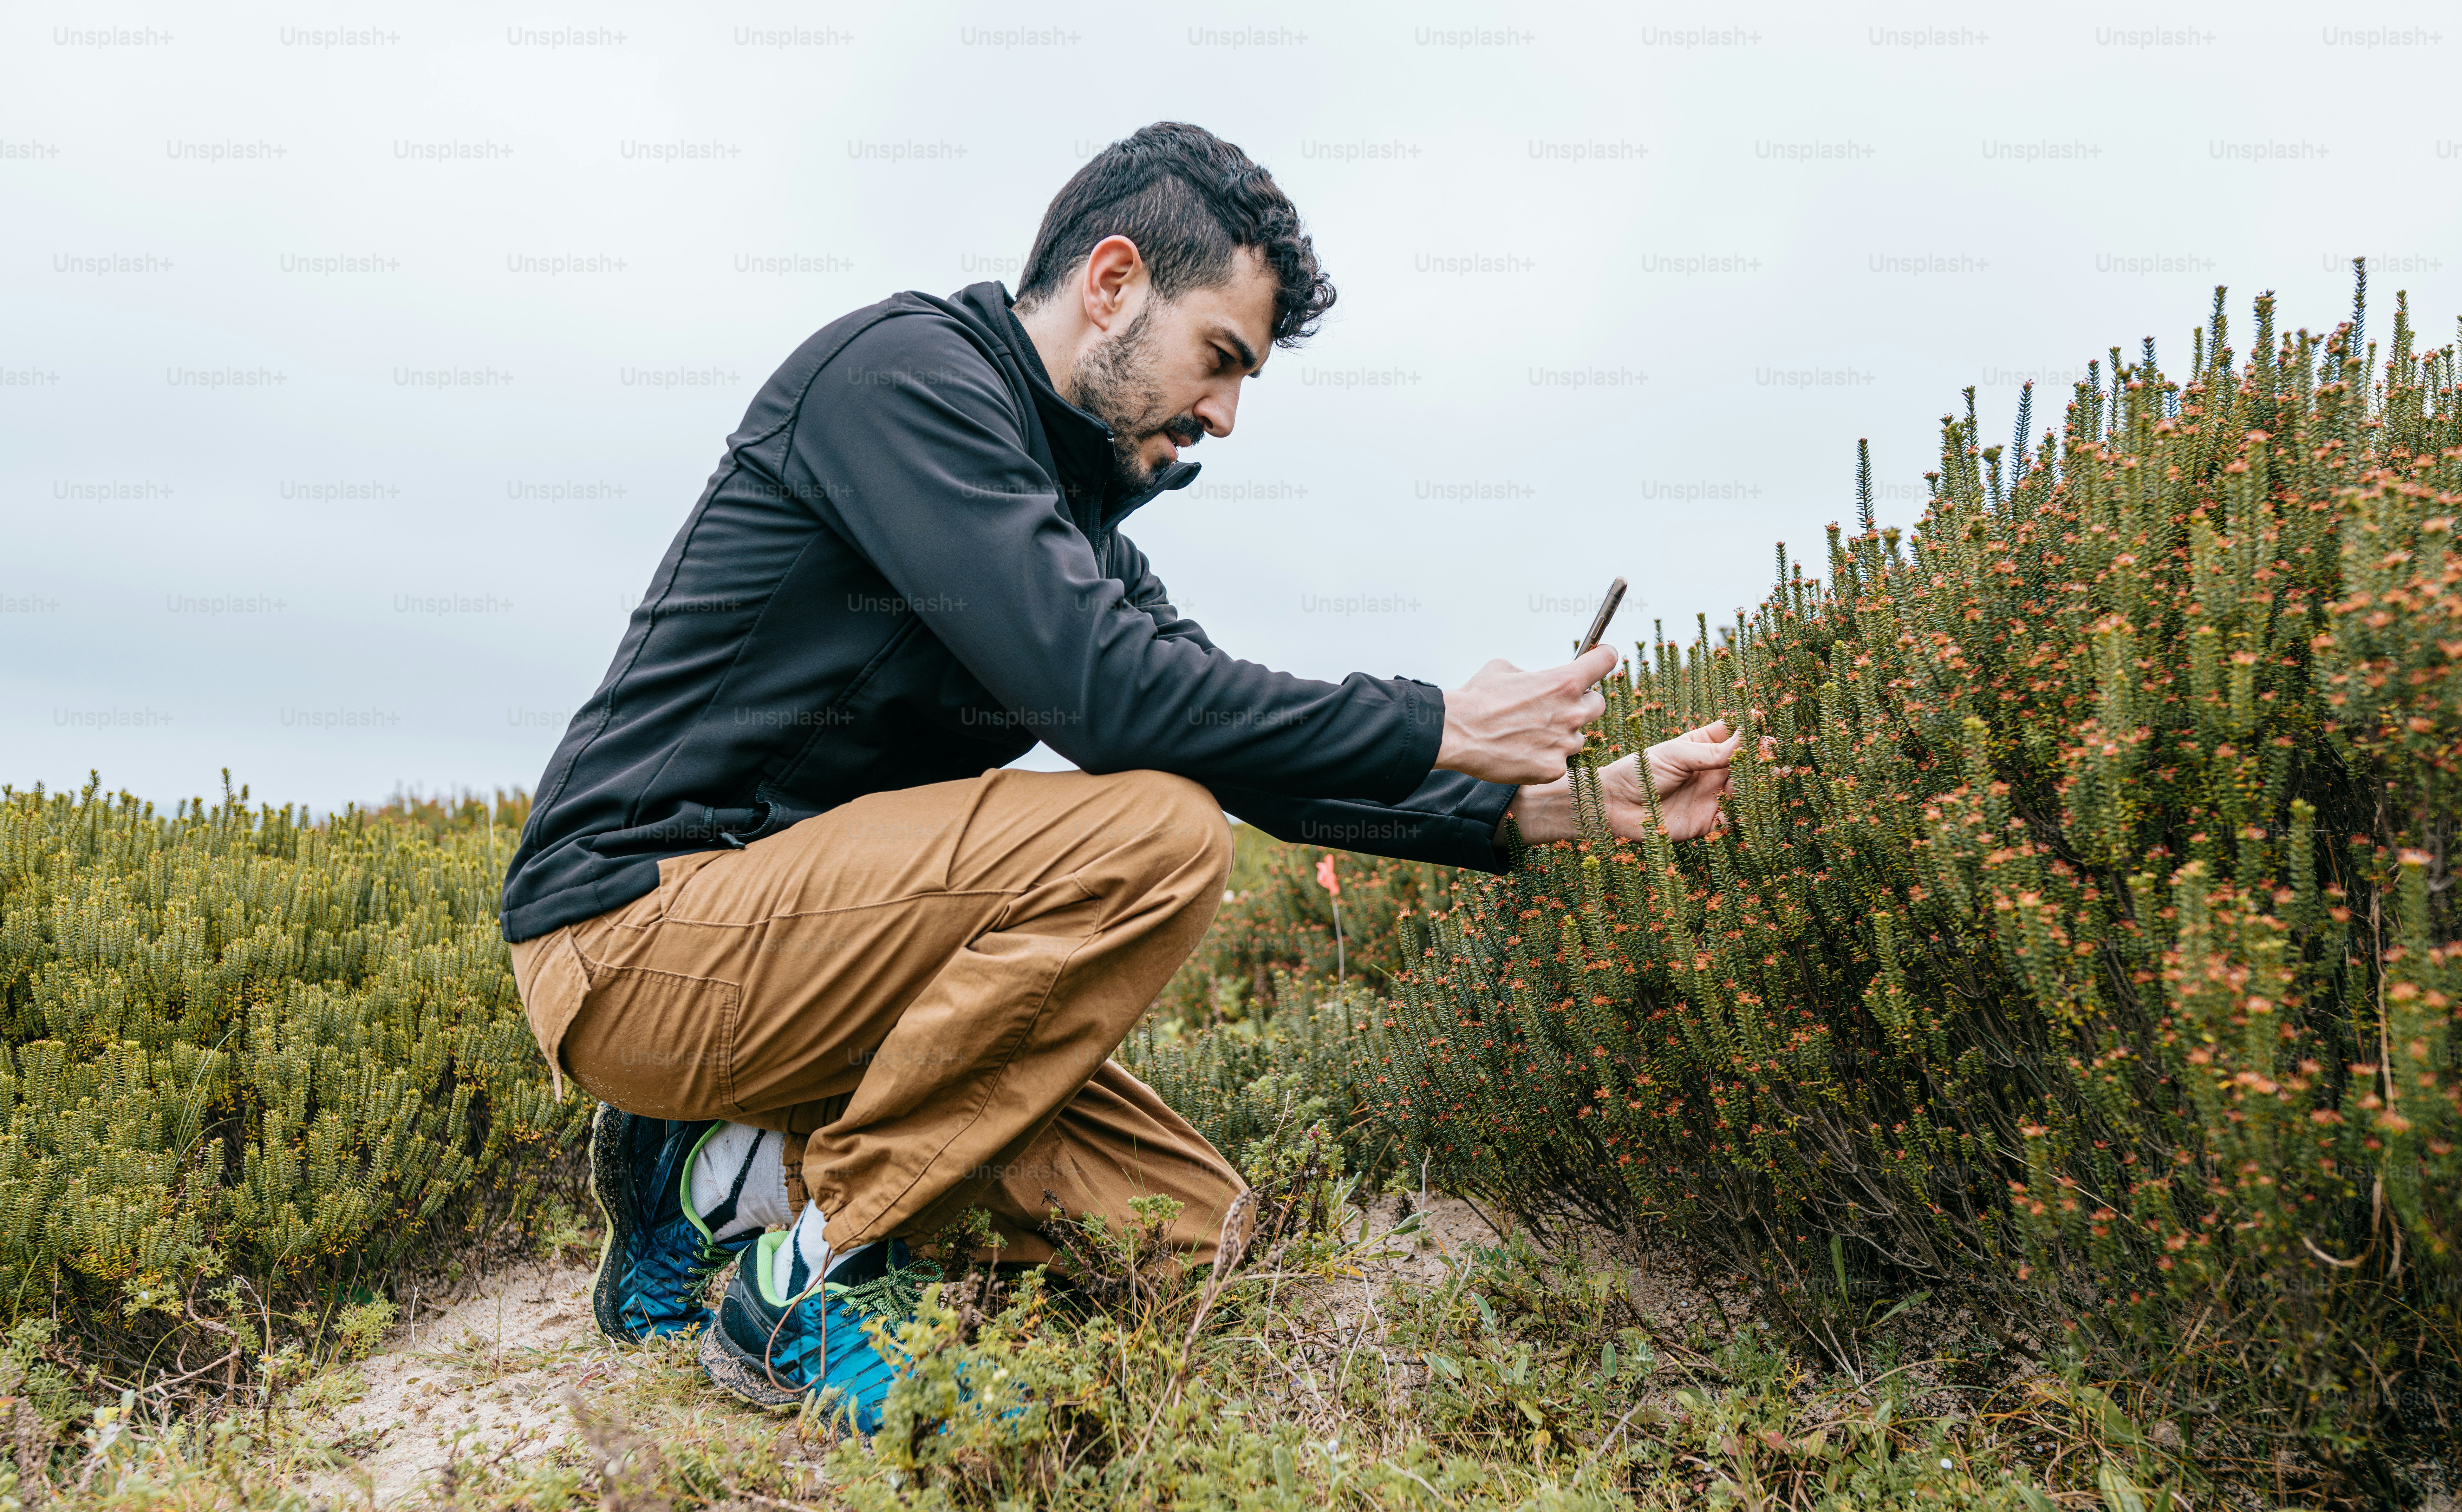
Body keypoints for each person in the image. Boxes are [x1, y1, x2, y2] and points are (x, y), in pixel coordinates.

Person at [496, 120, 1735, 1426]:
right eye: (1222, 359)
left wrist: (1549, 808)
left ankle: (718, 1175)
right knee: (1160, 834)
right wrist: (1436, 717)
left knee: (1207, 1251)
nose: (1225, 416)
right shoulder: (901, 383)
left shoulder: (1062, 509)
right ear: (1113, 282)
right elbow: (1110, 697)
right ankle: (809, 1280)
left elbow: (1231, 741)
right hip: (631, 932)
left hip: (813, 974)